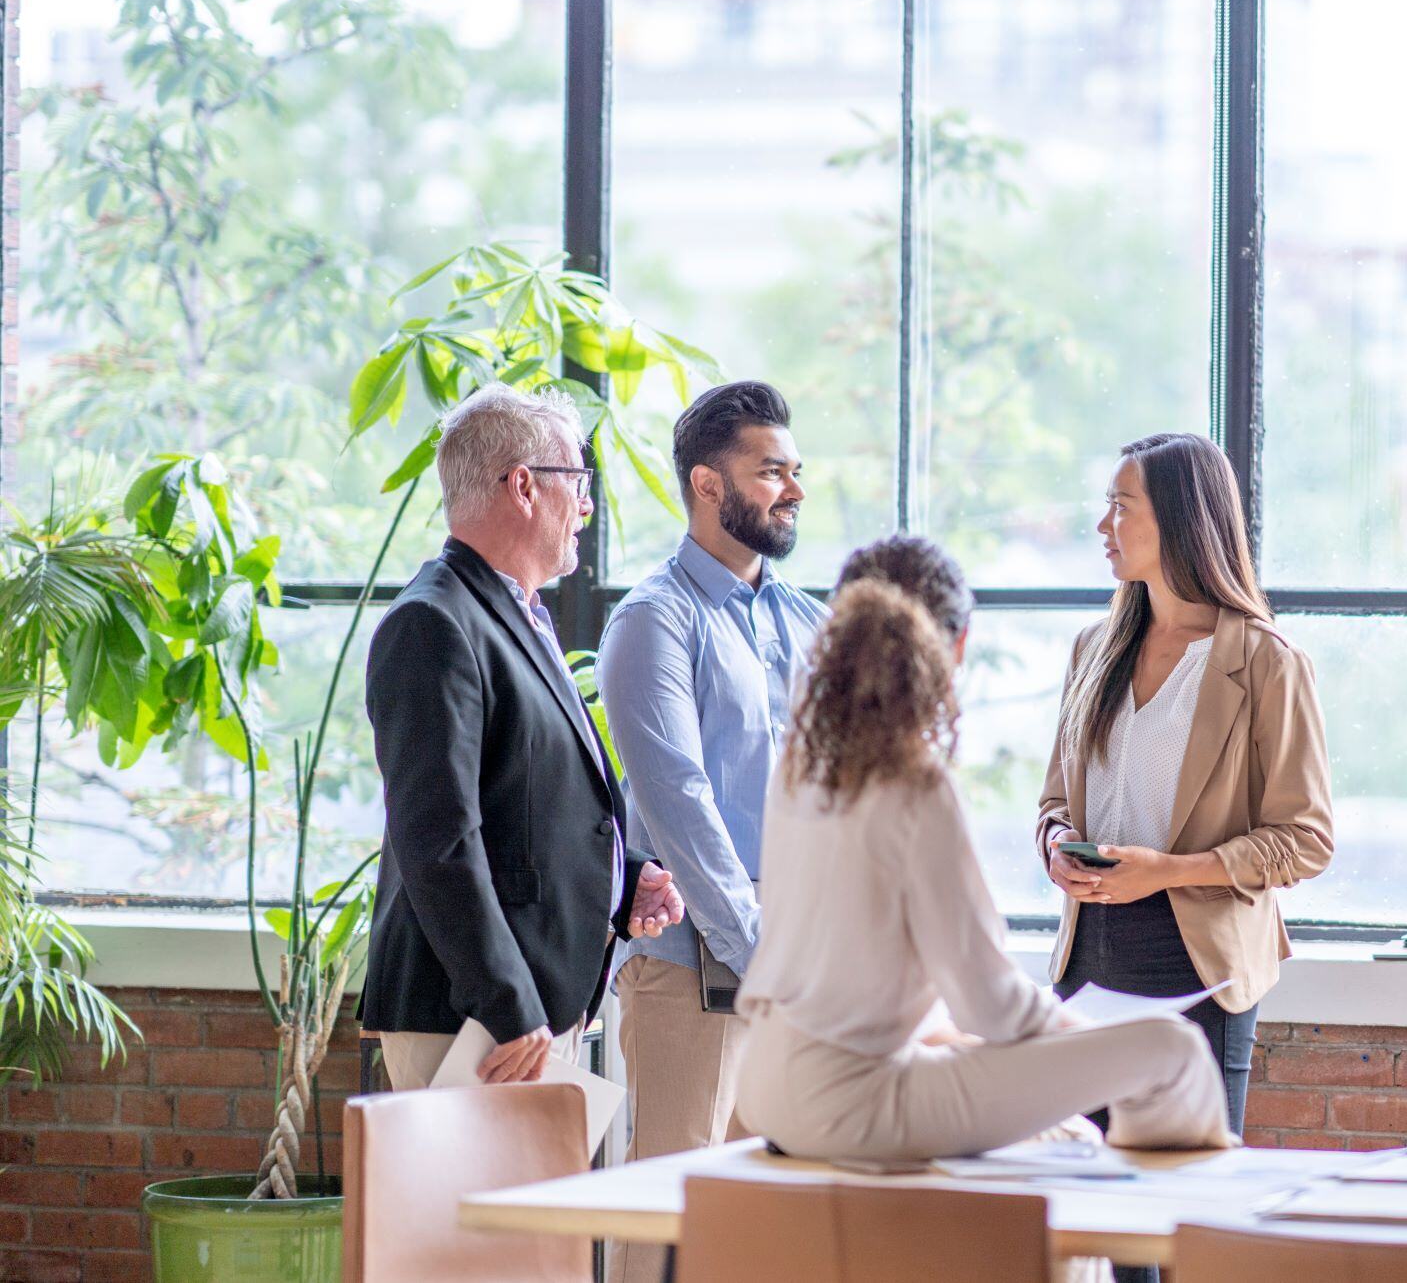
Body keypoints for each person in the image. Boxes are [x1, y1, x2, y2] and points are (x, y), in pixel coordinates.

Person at [733, 555, 1232, 1161]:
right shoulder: (914, 783)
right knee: (1170, 1047)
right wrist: (1092, 1039)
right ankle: (1143, 1218)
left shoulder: (801, 765)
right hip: (850, 1100)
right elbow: (989, 1006)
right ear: (954, 645)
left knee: (1005, 1070)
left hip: (764, 1082)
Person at [359, 384, 685, 1092]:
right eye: (580, 482)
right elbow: (437, 839)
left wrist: (622, 881)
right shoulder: (433, 624)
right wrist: (507, 1002)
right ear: (524, 486)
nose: (589, 507)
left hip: (526, 1008)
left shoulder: (517, 613)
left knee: (520, 1209)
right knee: (461, 1209)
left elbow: (525, 805)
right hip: (473, 1019)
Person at [1037, 432, 1335, 1141]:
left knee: (1179, 1192)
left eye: (1120, 507)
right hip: (1089, 955)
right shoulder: (1092, 648)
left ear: (1178, 517)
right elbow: (1055, 800)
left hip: (1196, 963)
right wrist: (1053, 845)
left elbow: (1306, 839)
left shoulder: (1266, 662)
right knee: (1090, 1188)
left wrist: (1168, 873)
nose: (1103, 526)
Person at [596, 381, 828, 1283]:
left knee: (766, 1234)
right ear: (706, 483)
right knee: (670, 1223)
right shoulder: (654, 621)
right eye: (771, 472)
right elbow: (678, 798)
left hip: (794, 971)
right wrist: (761, 949)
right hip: (694, 972)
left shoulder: (810, 622)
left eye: (795, 471)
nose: (794, 491)